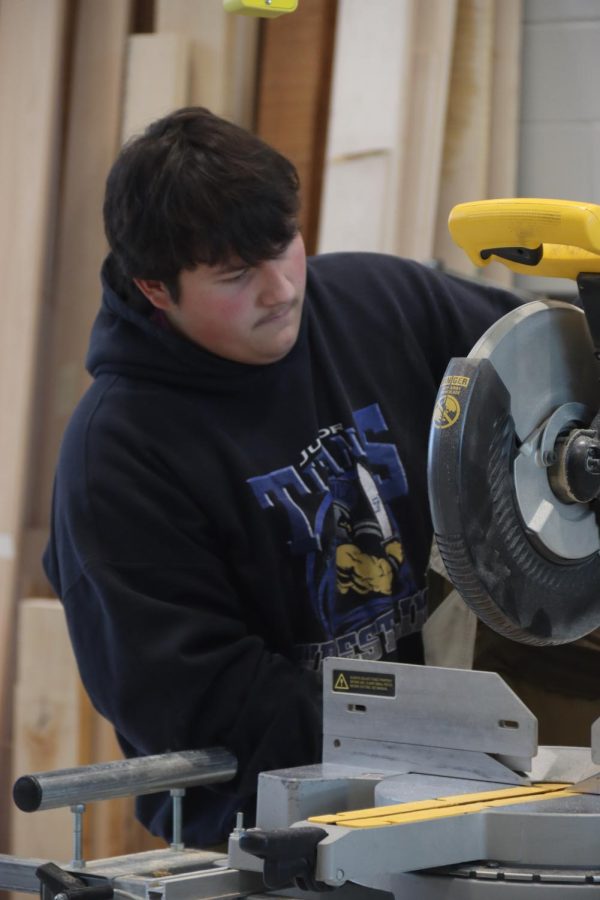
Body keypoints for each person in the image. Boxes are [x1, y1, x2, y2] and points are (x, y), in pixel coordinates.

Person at [43, 106, 521, 848]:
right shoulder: (117, 459)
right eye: (236, 275)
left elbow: (542, 365)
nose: (280, 290)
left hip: (447, 785)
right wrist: (435, 734)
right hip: (266, 843)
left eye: (285, 247)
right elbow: (204, 702)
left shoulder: (379, 303)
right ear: (156, 289)